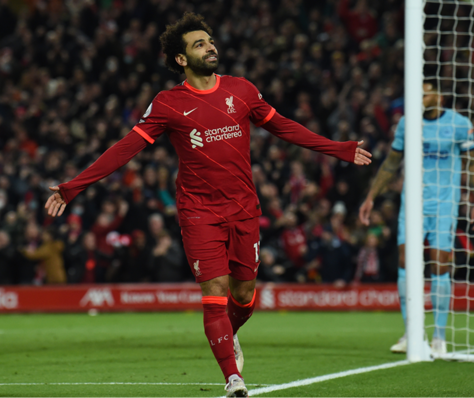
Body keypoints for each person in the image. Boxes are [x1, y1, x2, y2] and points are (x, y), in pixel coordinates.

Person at [44, 12, 372, 397]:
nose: (210, 46)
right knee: (214, 292)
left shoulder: (242, 90)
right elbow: (125, 148)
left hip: (244, 208)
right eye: (199, 43)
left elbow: (284, 126)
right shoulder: (168, 103)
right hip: (198, 212)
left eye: (210, 40)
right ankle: (234, 379)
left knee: (245, 295)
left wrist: (339, 149)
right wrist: (73, 187)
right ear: (181, 59)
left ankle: (227, 335)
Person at [359, 80, 474, 355]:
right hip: (412, 203)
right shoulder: (407, 123)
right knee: (405, 261)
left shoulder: (459, 124)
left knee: (440, 264)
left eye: (426, 92)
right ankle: (411, 332)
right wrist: (370, 197)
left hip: (444, 204)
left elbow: (473, 163)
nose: (421, 96)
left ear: (439, 94)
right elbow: (391, 163)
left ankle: (439, 336)